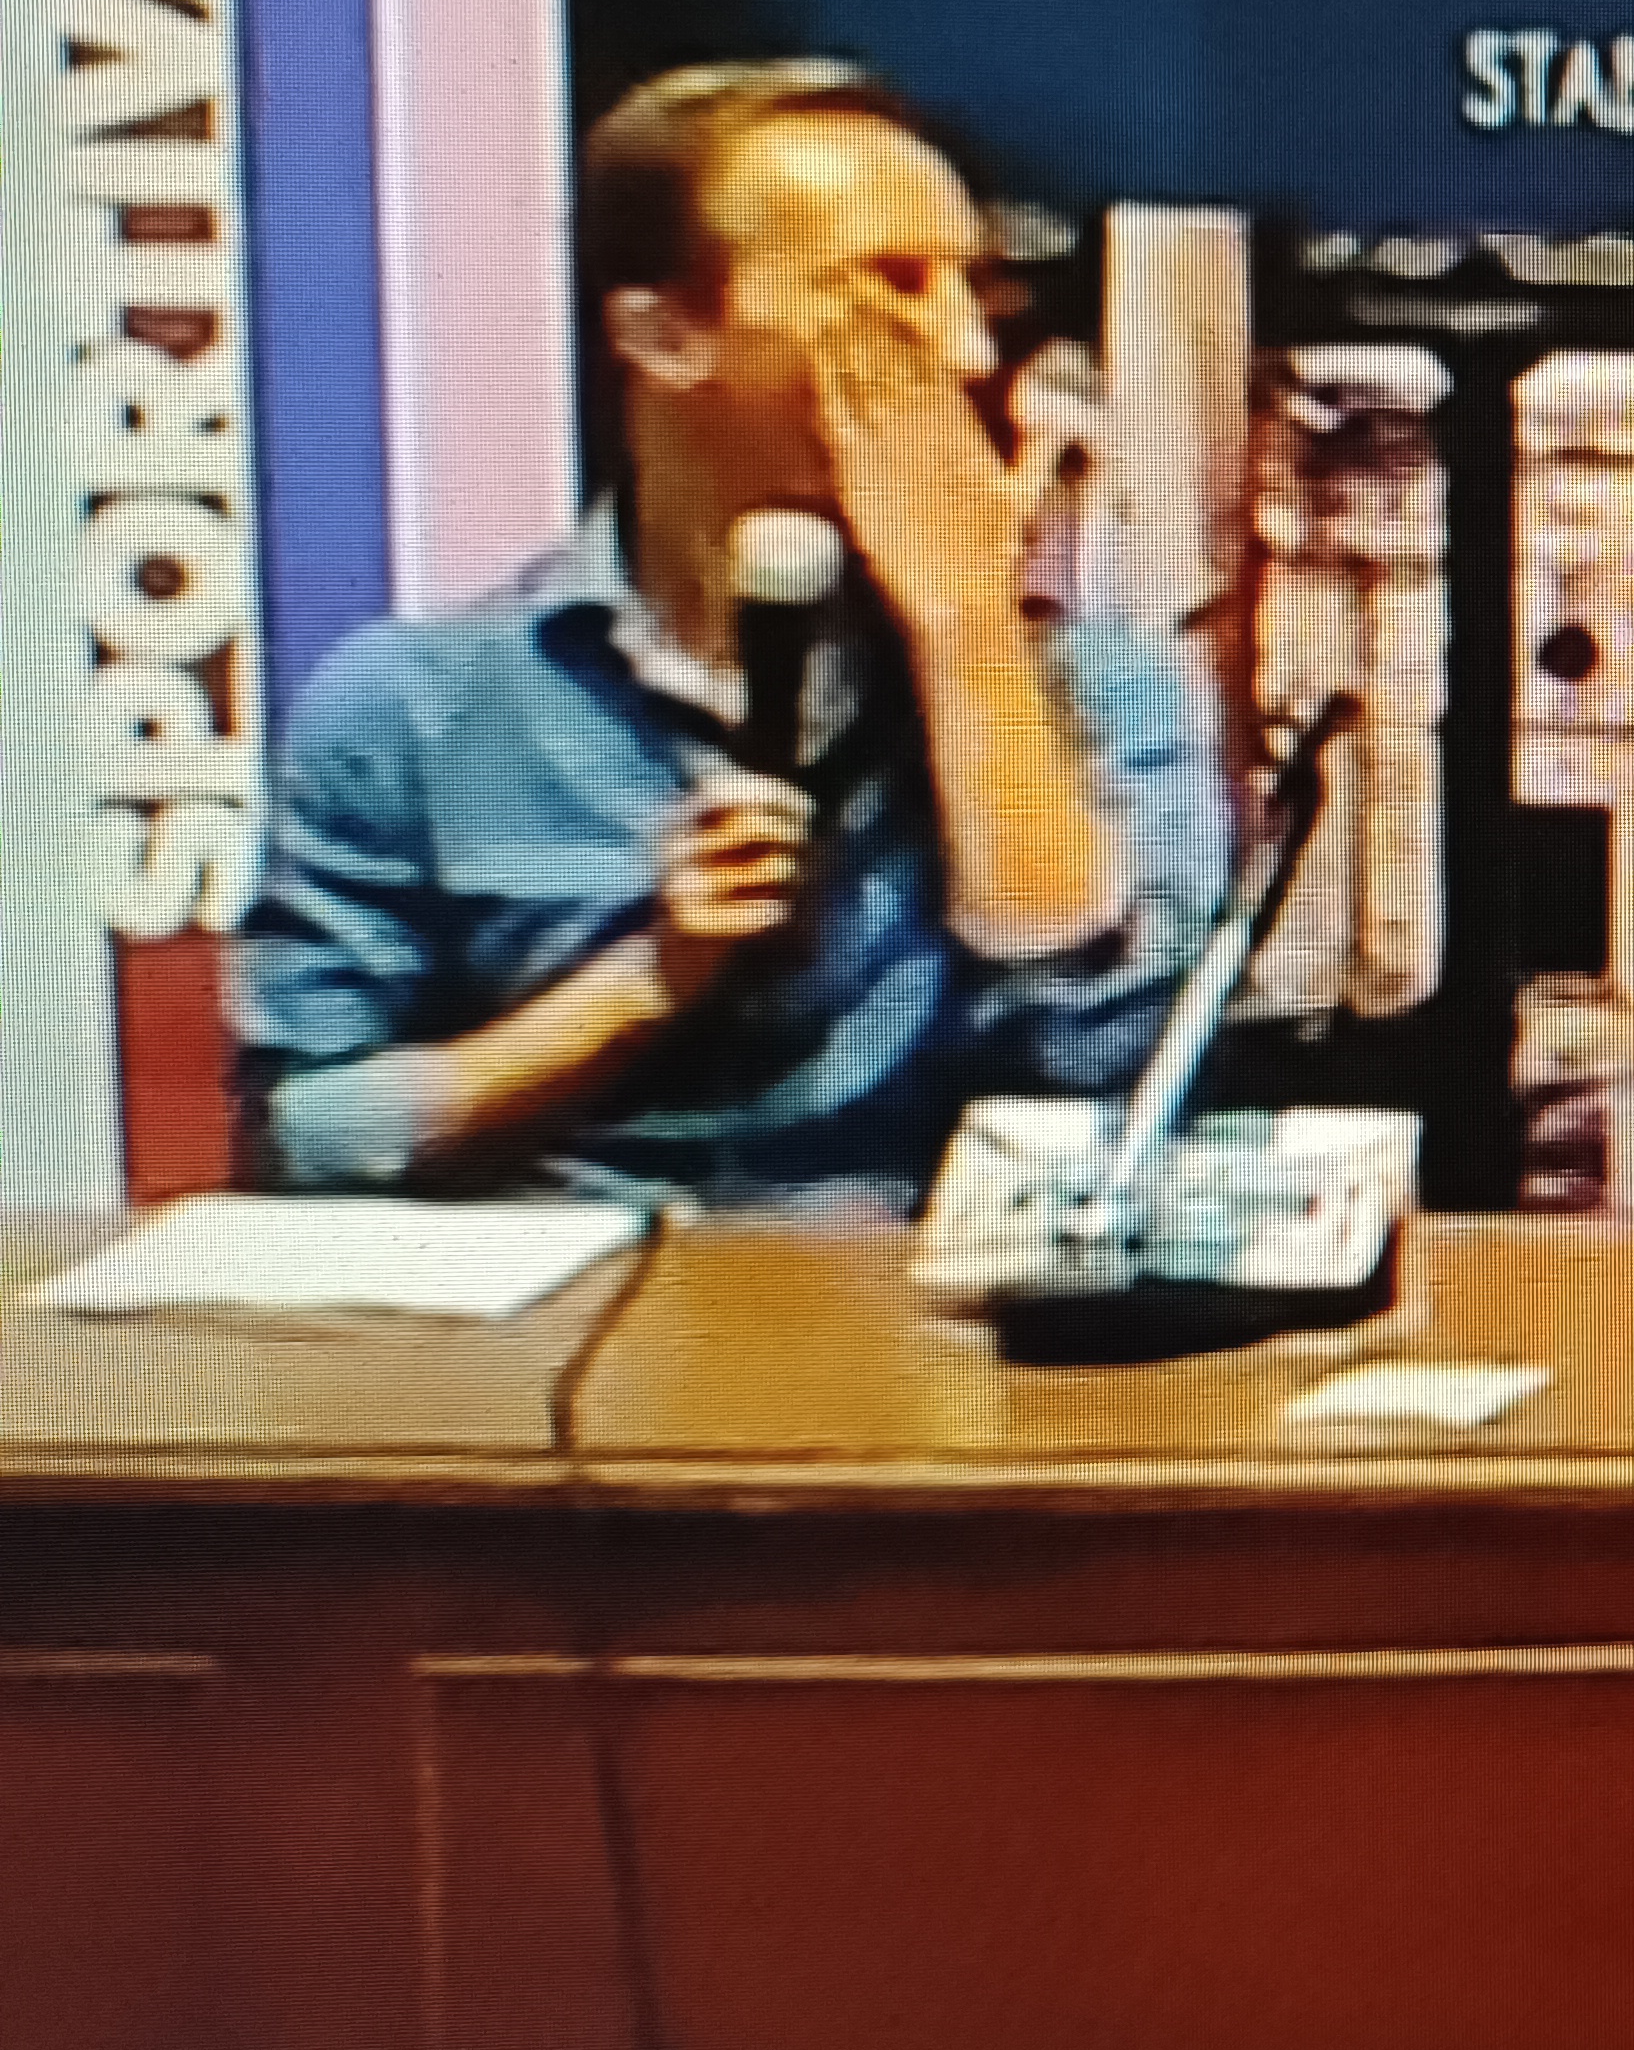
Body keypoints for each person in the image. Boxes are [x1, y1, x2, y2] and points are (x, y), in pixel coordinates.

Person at [234, 64, 1229, 1207]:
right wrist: (642, 983)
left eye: (975, 290)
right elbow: (308, 1138)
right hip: (558, 1285)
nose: (963, 354)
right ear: (664, 335)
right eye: (891, 288)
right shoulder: (412, 705)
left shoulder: (1103, 689)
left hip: (900, 1291)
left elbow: (1114, 1075)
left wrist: (968, 631)